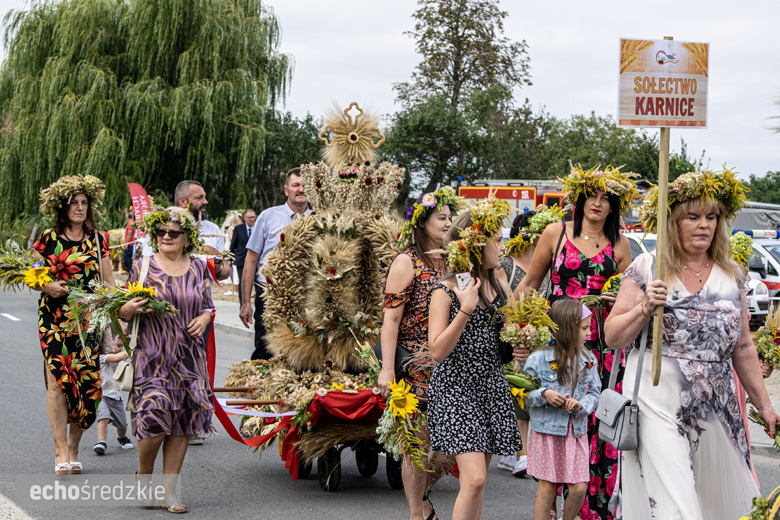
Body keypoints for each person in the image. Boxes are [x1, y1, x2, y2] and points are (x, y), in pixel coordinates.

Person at [604, 170, 780, 519]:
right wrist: (644, 307)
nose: (704, 225)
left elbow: (743, 348)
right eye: (693, 217)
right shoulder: (648, 266)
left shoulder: (733, 275)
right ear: (674, 222)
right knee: (676, 505)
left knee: (721, 506)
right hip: (658, 399)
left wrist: (766, 405)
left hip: (718, 407)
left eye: (711, 217)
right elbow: (612, 337)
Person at [515, 164, 636, 520]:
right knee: (556, 418)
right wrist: (519, 327)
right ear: (581, 199)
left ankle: (590, 509)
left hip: (602, 346)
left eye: (606, 199)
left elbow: (627, 297)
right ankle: (549, 502)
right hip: (557, 342)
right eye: (592, 196)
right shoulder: (556, 233)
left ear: (614, 206)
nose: (598, 203)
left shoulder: (621, 245)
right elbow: (530, 285)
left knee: (597, 423)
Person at [427, 197, 524, 520]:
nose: (501, 245)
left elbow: (509, 338)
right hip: (456, 387)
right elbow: (438, 351)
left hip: (491, 385)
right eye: (495, 239)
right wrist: (466, 308)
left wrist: (522, 342)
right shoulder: (446, 290)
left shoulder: (500, 286)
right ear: (474, 246)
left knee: (477, 485)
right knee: (475, 479)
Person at [118, 206, 215, 513]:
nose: (166, 237)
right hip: (152, 357)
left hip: (188, 358)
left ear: (188, 239)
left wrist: (203, 319)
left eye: (173, 233)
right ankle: (143, 475)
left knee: (181, 424)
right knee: (154, 421)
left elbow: (208, 307)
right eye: (161, 232)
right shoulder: (143, 265)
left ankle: (170, 492)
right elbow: (121, 311)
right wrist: (130, 310)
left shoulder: (199, 268)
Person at [378, 187, 460, 520]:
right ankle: (417, 513)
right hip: (415, 367)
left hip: (452, 363)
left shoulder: (456, 260)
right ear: (422, 221)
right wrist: (387, 369)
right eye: (442, 217)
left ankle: (422, 495)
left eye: (450, 217)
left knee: (452, 449)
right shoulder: (406, 261)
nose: (448, 223)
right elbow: (391, 320)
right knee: (418, 447)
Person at [33, 175, 114, 475]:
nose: (79, 208)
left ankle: (75, 446)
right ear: (63, 208)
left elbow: (109, 284)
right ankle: (60, 450)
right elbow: (31, 275)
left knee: (87, 384)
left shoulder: (98, 239)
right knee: (57, 382)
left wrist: (117, 324)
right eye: (74, 203)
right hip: (54, 321)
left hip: (88, 322)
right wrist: (47, 287)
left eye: (84, 203)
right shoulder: (48, 239)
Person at [495, 207, 560, 477]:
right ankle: (521, 453)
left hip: (543, 338)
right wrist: (518, 330)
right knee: (520, 392)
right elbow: (505, 302)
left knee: (539, 389)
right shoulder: (507, 265)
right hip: (516, 336)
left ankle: (520, 450)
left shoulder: (547, 268)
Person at [524, 299, 601, 520]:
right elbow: (524, 396)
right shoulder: (539, 358)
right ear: (568, 329)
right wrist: (543, 394)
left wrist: (581, 405)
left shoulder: (588, 360)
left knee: (578, 489)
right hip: (547, 433)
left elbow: (594, 393)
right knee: (547, 489)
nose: (589, 333)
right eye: (584, 328)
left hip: (575, 433)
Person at [240, 168, 310, 360]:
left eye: (305, 185)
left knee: (300, 356)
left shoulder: (319, 219)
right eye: (296, 185)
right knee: (265, 353)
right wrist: (245, 302)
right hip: (269, 297)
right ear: (286, 190)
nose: (301, 189)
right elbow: (251, 261)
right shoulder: (267, 217)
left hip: (305, 300)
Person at [142, 180, 232, 282]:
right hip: (165, 294)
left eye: (205, 197)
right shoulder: (162, 228)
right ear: (183, 201)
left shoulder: (213, 229)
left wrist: (218, 271)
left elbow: (225, 271)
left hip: (201, 297)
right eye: (199, 198)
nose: (205, 201)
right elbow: (147, 265)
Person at [93, 326, 134, 455]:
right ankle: (101, 442)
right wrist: (132, 350)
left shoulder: (119, 356)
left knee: (122, 424)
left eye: (122, 346)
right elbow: (117, 358)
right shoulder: (102, 357)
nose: (121, 349)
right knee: (103, 417)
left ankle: (121, 437)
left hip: (116, 396)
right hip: (102, 395)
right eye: (118, 345)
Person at [230, 208, 257, 305]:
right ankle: (243, 304)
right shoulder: (238, 229)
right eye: (250, 217)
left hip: (256, 260)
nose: (252, 219)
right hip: (242, 260)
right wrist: (230, 258)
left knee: (258, 283)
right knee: (243, 282)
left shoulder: (259, 228)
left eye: (253, 217)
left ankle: (258, 305)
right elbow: (233, 245)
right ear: (245, 218)